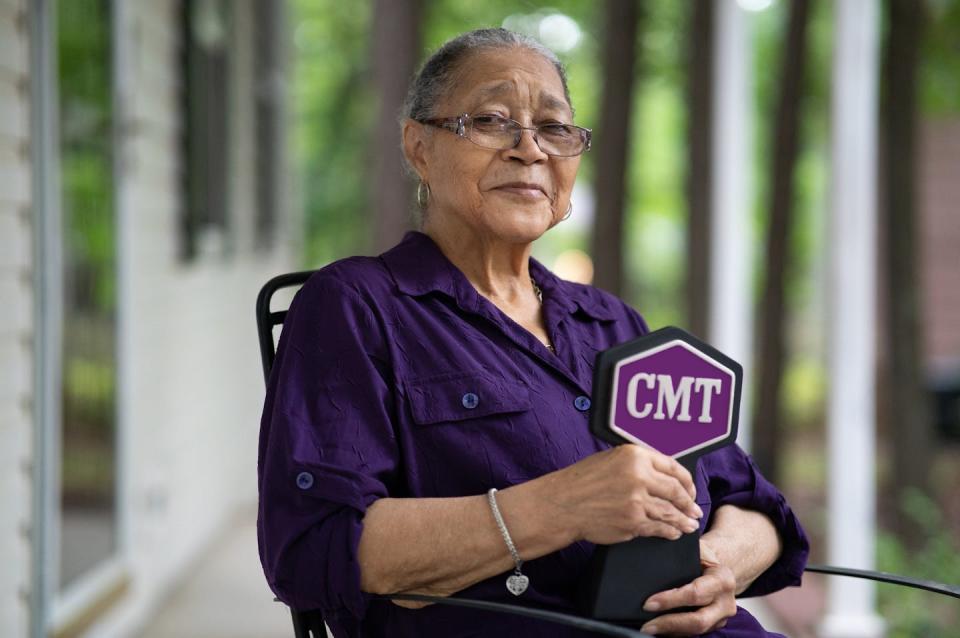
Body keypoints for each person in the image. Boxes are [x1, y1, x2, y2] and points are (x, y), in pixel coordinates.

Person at [258, 27, 808, 638]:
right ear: (419, 147)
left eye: (554, 128)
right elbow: (312, 549)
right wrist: (559, 506)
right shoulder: (359, 306)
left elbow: (755, 506)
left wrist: (717, 569)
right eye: (492, 119)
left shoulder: (613, 323)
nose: (530, 149)